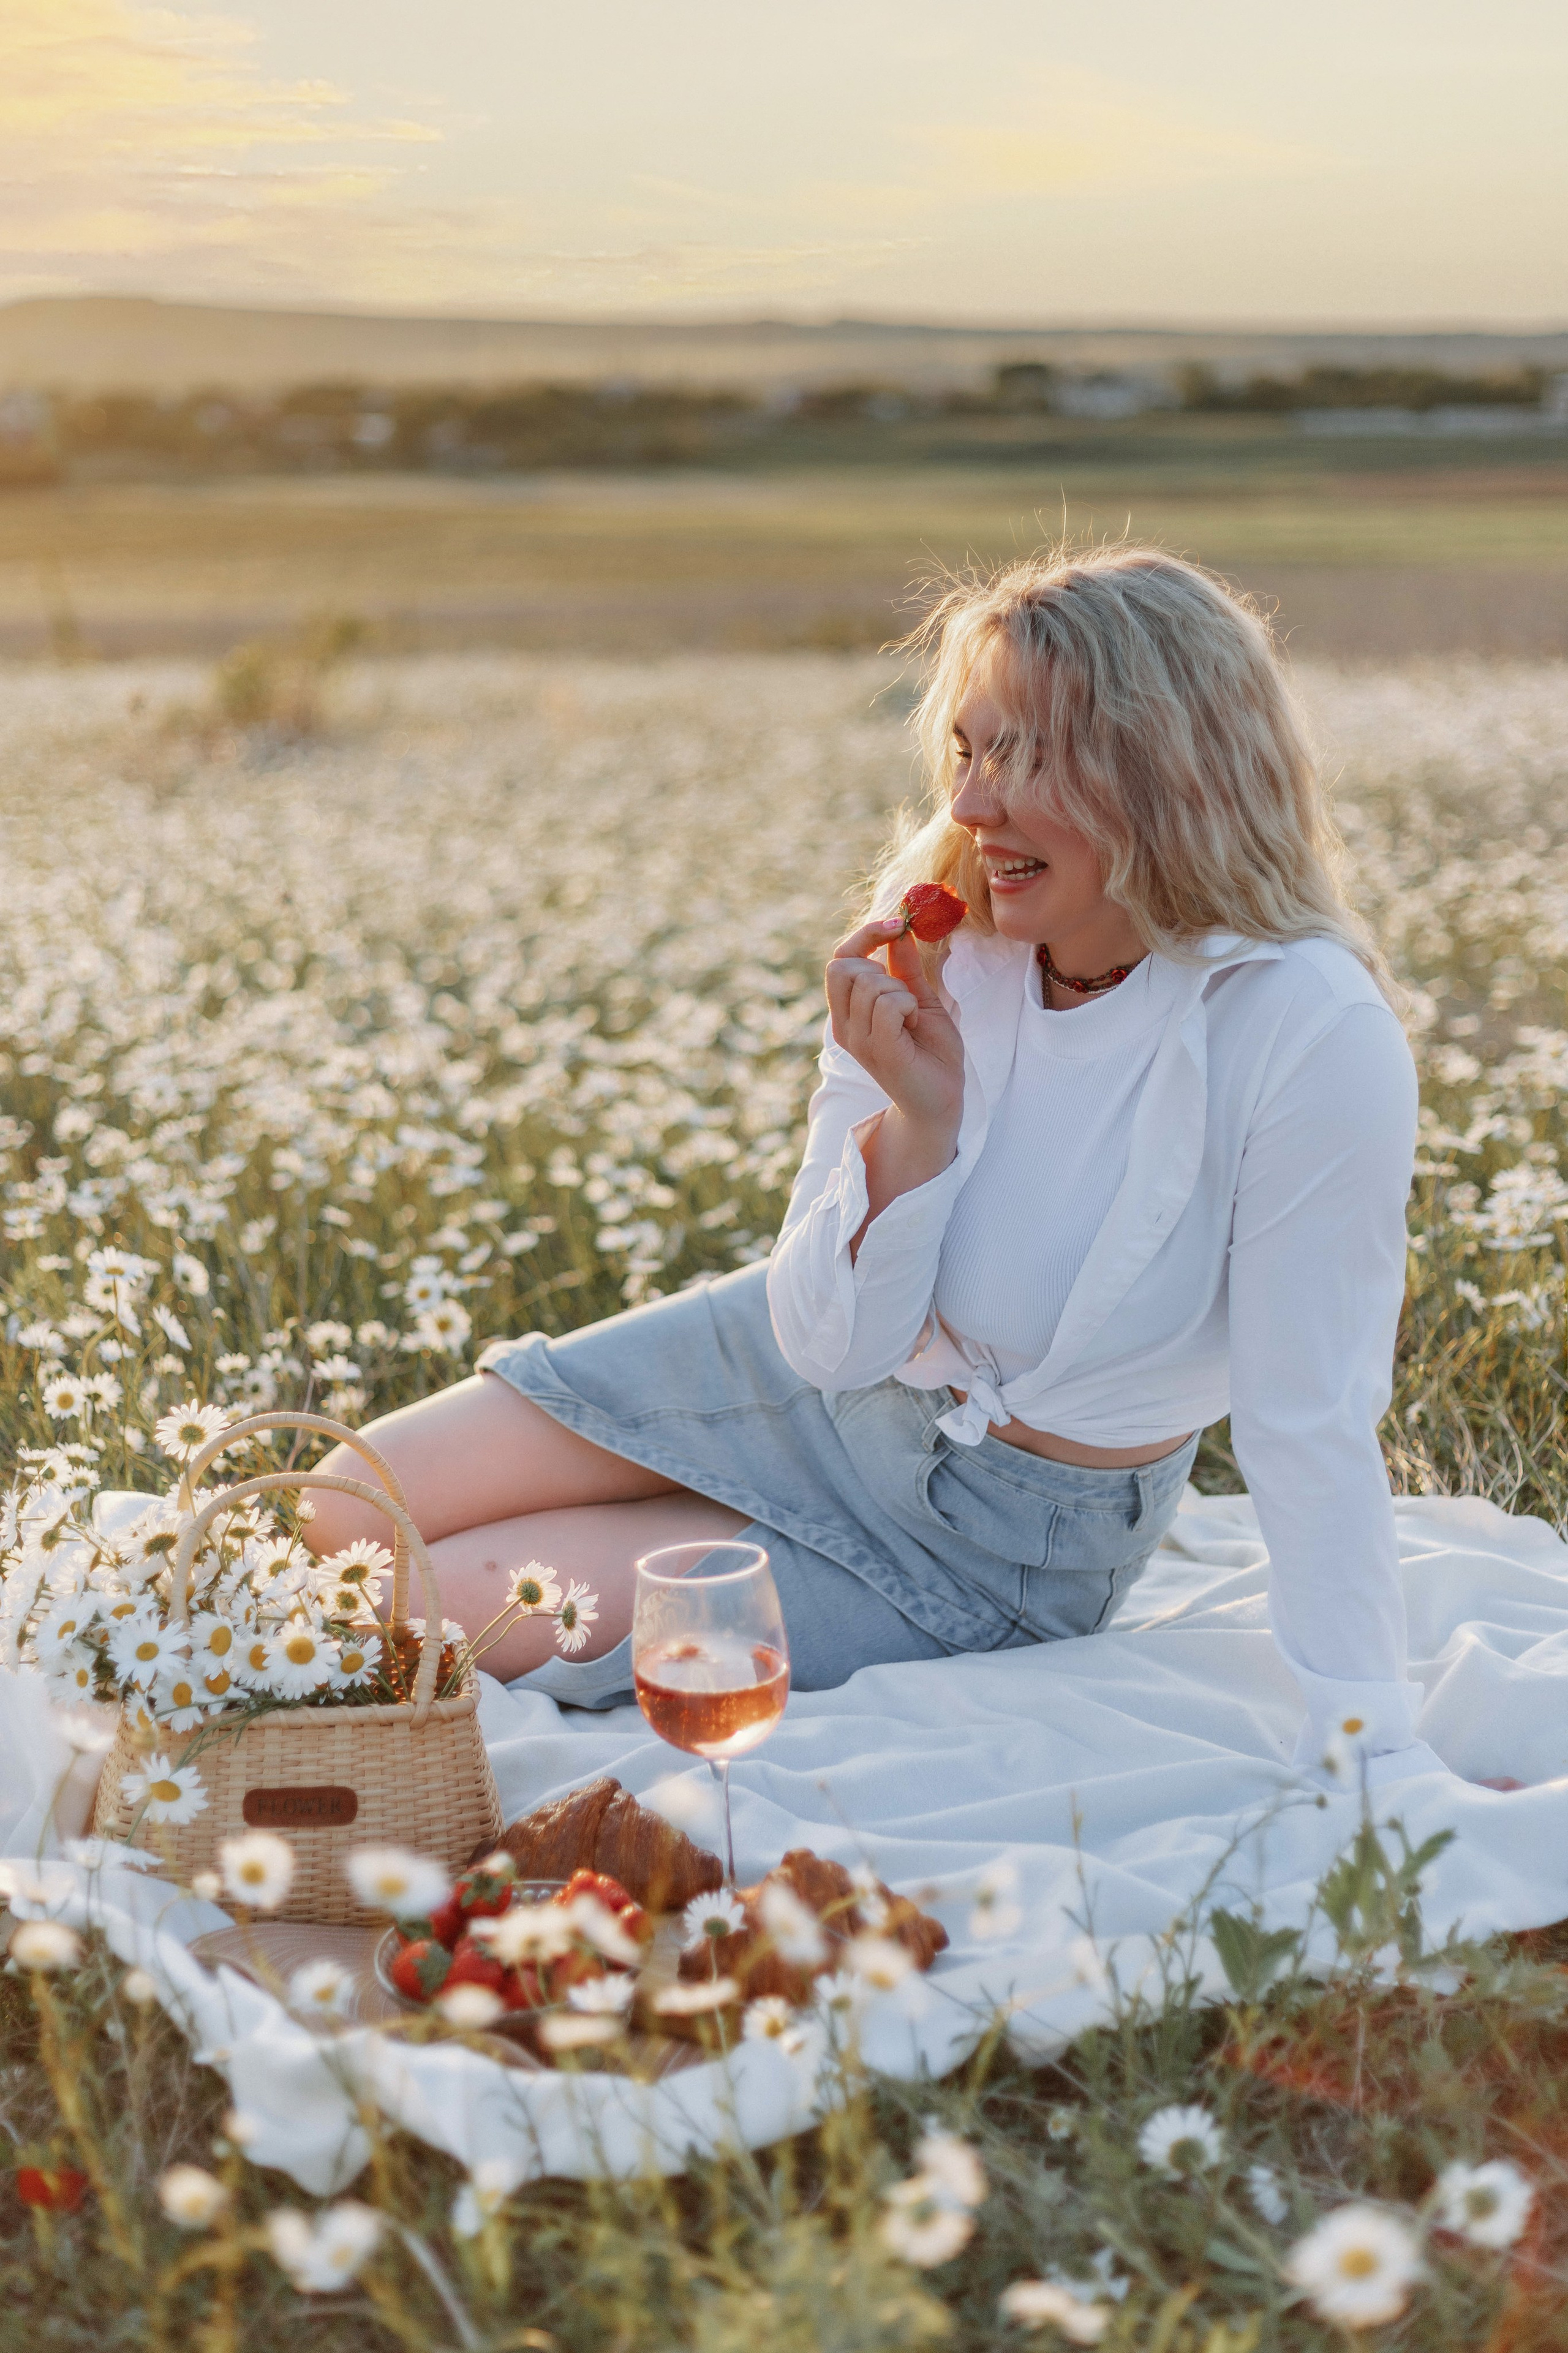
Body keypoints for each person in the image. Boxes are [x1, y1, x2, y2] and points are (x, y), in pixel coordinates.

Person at [307, 545, 1441, 1788]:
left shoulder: (1298, 1028)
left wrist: (1370, 1752)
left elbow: (1309, 1423)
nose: (969, 807)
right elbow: (828, 1346)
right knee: (340, 1517)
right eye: (966, 750)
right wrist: (915, 1128)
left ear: (1167, 767)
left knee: (410, 1605)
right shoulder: (940, 933)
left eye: (1027, 755)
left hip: (989, 1541)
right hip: (808, 1376)